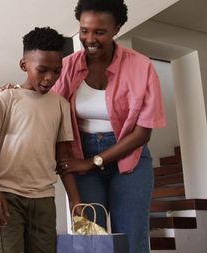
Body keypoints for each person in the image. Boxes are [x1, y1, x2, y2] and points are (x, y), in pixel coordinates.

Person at [51, 0, 166, 252]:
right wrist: (16, 92)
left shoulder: (142, 67)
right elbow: (49, 113)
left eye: (99, 32)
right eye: (84, 30)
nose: (89, 39)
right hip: (81, 154)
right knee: (92, 242)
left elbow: (143, 132)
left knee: (132, 240)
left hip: (130, 158)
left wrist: (94, 161)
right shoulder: (67, 67)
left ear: (117, 28)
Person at [0, 27, 81, 253]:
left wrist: (75, 201)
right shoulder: (6, 98)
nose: (50, 78)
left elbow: (64, 158)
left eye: (57, 71)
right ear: (24, 65)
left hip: (44, 199)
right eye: (42, 70)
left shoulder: (61, 105)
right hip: (8, 197)